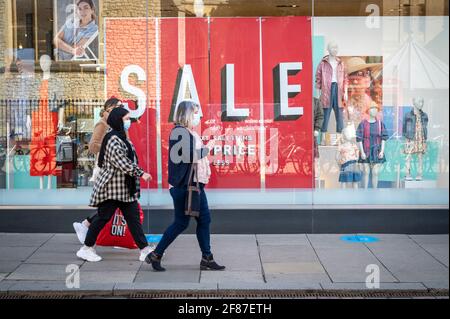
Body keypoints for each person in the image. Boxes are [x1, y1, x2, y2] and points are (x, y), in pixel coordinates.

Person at [145, 100, 225, 272]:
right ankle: (157, 255)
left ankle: (205, 258)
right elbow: (189, 156)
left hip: (191, 185)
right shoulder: (179, 132)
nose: (198, 116)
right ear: (186, 114)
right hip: (186, 186)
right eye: (195, 112)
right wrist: (207, 148)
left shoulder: (187, 132)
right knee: (185, 222)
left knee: (197, 220)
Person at [76, 107, 153, 262]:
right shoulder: (112, 139)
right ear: (118, 120)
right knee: (102, 218)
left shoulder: (122, 137)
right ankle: (86, 248)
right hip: (112, 188)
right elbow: (121, 161)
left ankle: (144, 249)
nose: (128, 122)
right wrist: (141, 173)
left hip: (123, 188)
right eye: (126, 118)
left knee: (133, 219)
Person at [72, 97, 121, 243]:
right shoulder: (103, 123)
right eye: (119, 106)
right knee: (110, 205)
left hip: (115, 169)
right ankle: (86, 229)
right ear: (109, 108)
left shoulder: (116, 123)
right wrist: (111, 146)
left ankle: (87, 227)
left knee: (111, 204)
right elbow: (93, 146)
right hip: (105, 170)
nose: (121, 108)